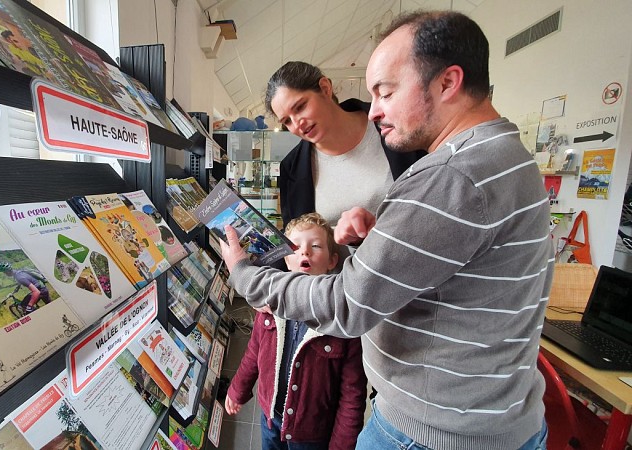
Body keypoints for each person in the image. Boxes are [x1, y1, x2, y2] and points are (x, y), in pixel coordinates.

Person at [221, 11, 552, 450]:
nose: (376, 109)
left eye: (386, 91)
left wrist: (245, 275)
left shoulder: (453, 173)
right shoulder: (497, 154)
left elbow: (348, 301)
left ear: (447, 82)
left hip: (434, 429)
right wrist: (381, 237)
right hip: (477, 409)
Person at [225, 213, 367, 450]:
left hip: (312, 434)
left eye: (316, 245)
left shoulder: (342, 321)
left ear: (332, 260)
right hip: (270, 420)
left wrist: (342, 444)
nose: (305, 252)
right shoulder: (270, 309)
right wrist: (238, 388)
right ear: (286, 259)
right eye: (295, 246)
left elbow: (352, 393)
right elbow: (253, 353)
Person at [267, 61, 425, 234]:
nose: (297, 124)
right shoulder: (291, 169)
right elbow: (297, 242)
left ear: (325, 88)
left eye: (300, 107)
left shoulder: (394, 124)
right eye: (287, 121)